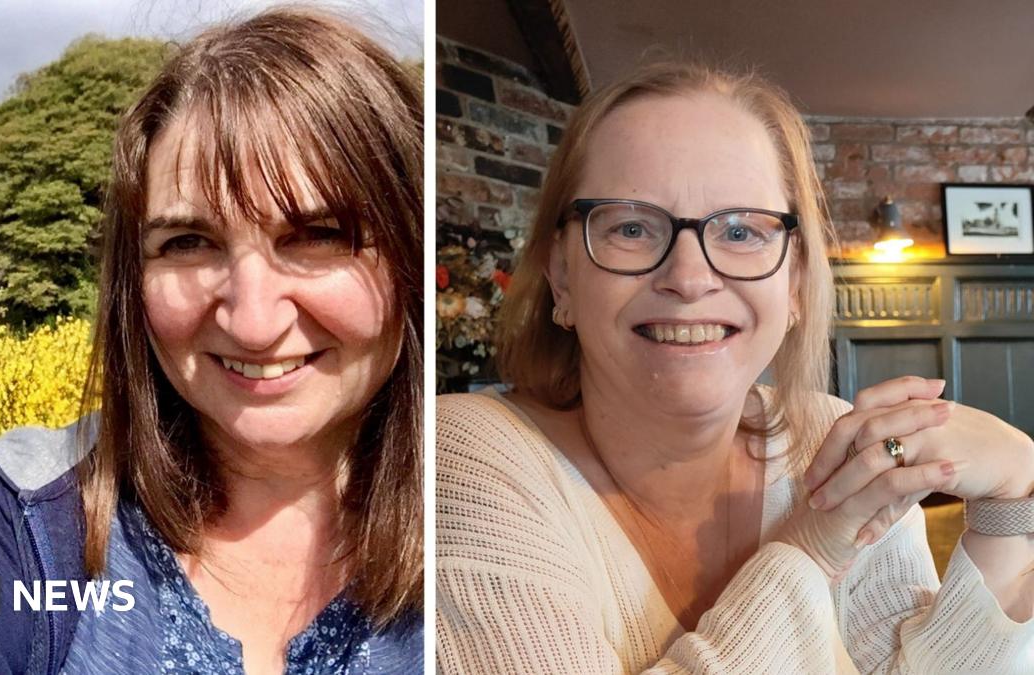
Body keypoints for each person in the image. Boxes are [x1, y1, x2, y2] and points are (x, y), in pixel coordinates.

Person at [0, 9, 422, 674]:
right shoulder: (22, 518)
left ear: (409, 254)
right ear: (132, 281)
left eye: (319, 236)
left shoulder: (477, 525)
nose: (253, 321)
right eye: (189, 243)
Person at [436, 62, 1034, 673]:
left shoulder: (831, 440)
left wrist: (1012, 503)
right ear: (561, 276)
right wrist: (809, 550)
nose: (690, 279)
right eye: (633, 227)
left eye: (742, 231)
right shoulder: (460, 454)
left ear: (796, 280)